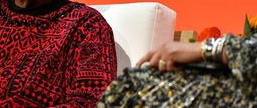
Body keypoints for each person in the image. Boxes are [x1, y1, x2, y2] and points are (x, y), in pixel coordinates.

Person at [98, 32, 257, 107]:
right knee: (130, 87)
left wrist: (206, 49)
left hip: (241, 89)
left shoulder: (88, 24)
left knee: (132, 90)